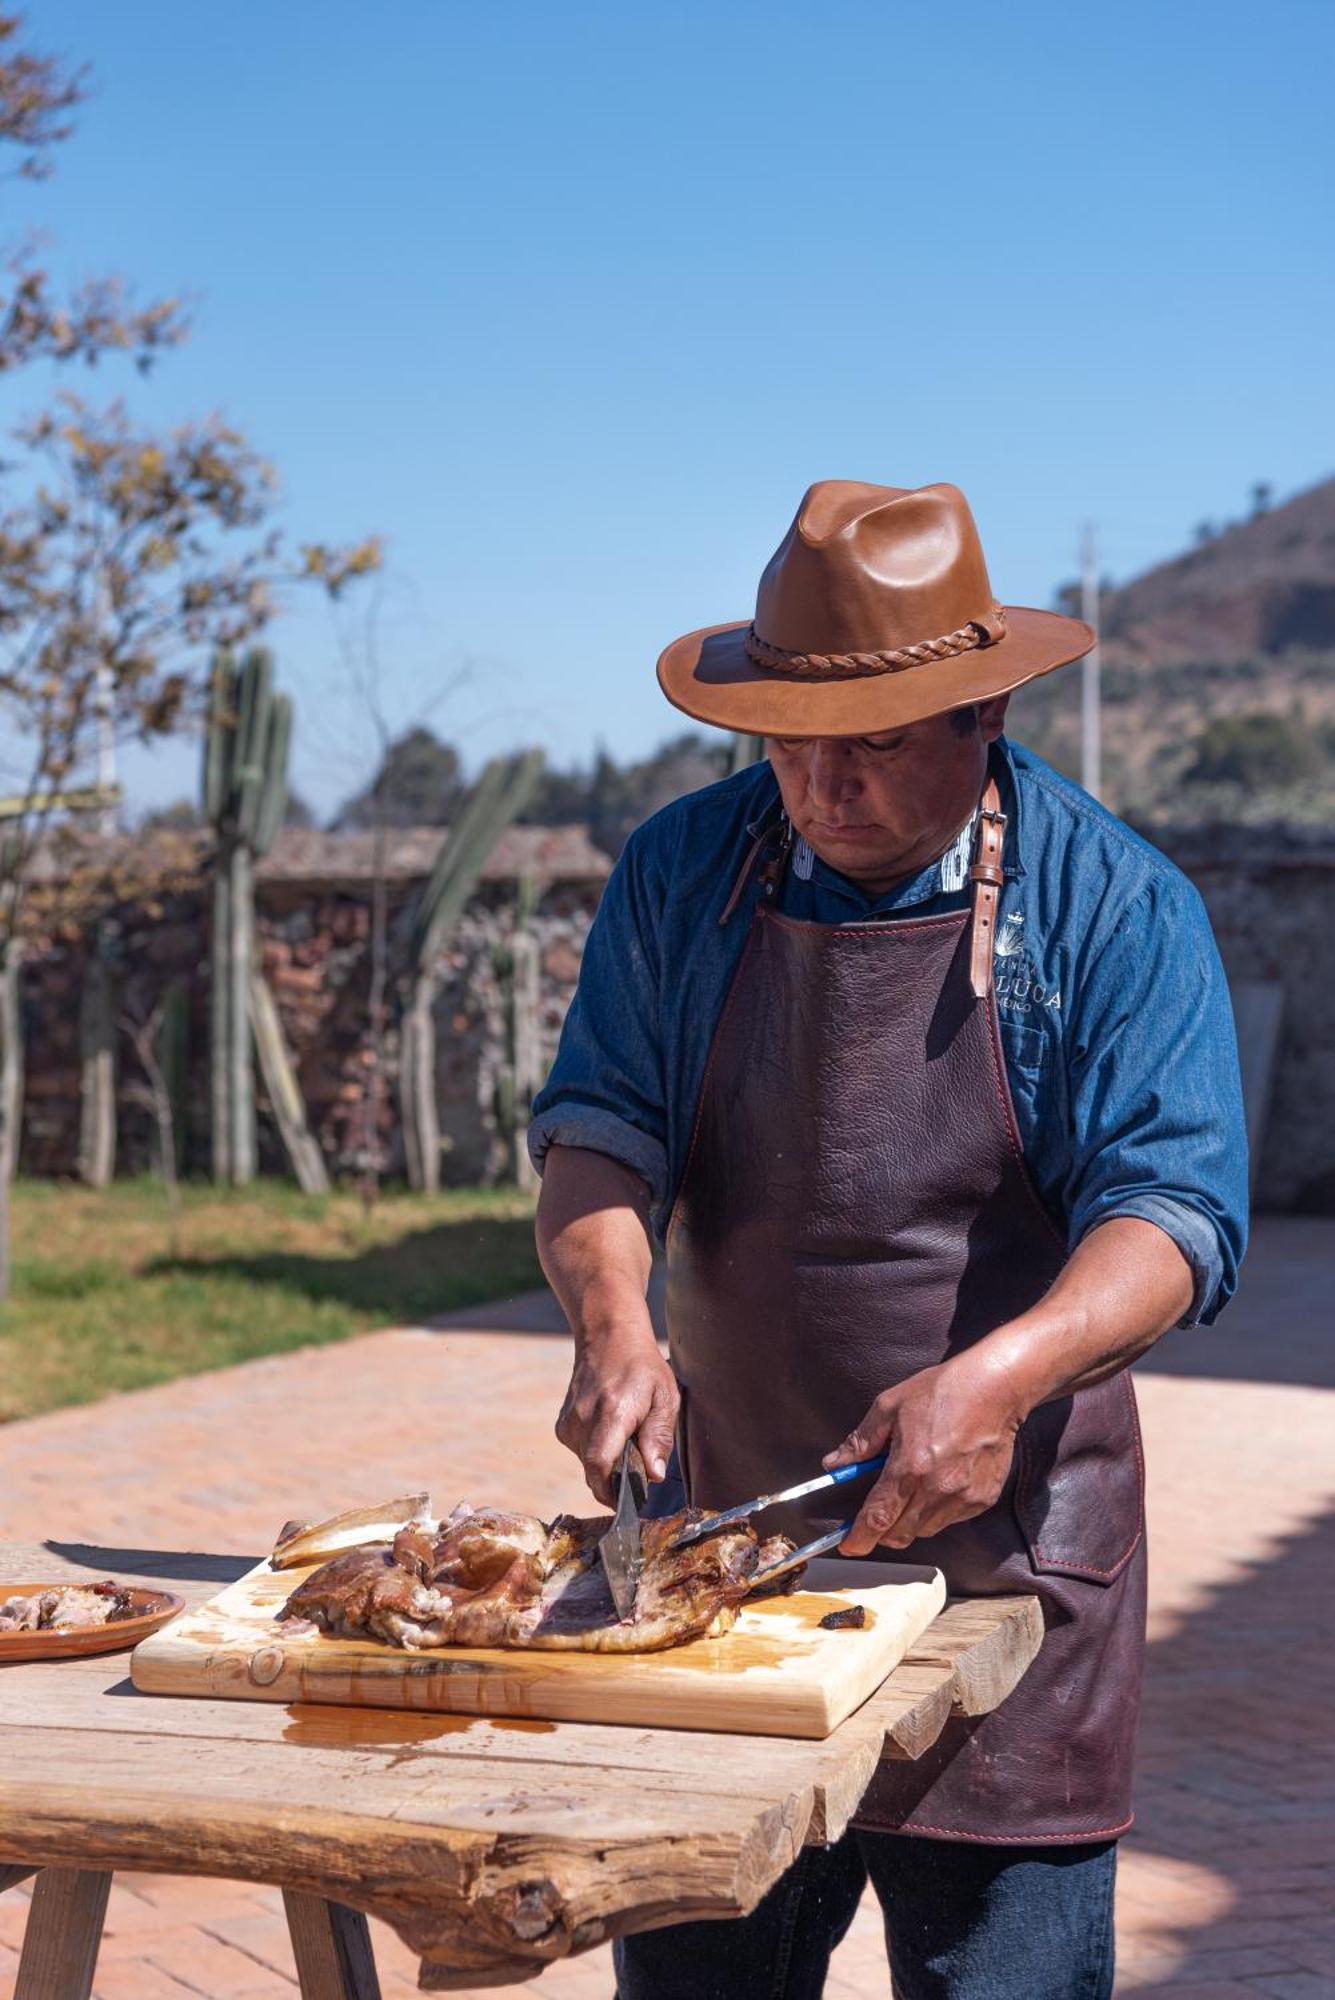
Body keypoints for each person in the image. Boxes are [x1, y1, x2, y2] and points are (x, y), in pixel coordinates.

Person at [528, 479, 1248, 1999]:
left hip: (1006, 1585)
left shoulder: (1114, 907)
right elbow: (597, 1129)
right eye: (787, 738)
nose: (818, 784)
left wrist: (995, 1383)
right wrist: (612, 1317)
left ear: (982, 716)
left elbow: (1172, 1216)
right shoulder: (680, 873)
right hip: (726, 1564)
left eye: (869, 744)